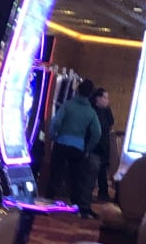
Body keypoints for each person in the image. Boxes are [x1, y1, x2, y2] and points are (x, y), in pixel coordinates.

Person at [47, 79, 101, 214]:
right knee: (75, 179)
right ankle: (74, 207)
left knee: (55, 175)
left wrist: (52, 136)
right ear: (90, 95)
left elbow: (56, 122)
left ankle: (48, 201)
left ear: (77, 90)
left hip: (61, 144)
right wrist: (88, 149)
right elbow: (97, 133)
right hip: (78, 148)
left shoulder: (68, 105)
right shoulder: (91, 112)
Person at [91, 86, 116, 202]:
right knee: (94, 169)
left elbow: (111, 123)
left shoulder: (106, 110)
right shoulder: (92, 110)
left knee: (102, 169)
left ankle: (103, 192)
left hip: (104, 143)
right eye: (105, 97)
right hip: (95, 144)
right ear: (98, 98)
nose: (107, 100)